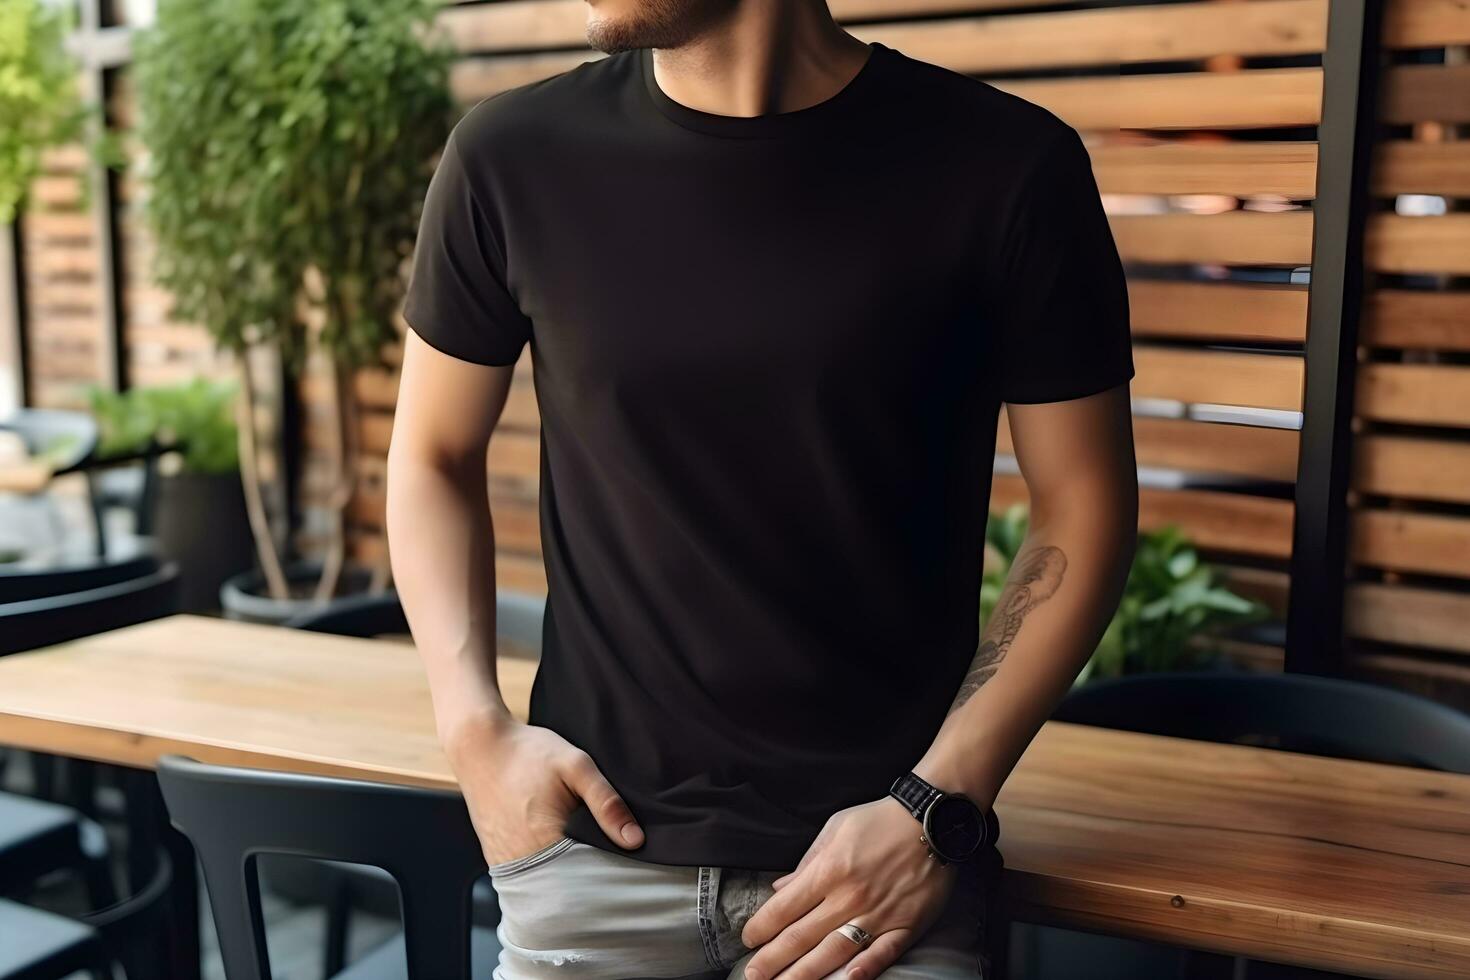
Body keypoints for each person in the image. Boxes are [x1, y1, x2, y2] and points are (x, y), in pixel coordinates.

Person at [385, 0, 1138, 976]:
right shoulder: (510, 157)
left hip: (878, 880)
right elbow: (432, 453)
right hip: (593, 863)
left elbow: (1084, 504)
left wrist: (935, 805)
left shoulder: (1007, 166)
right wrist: (471, 725)